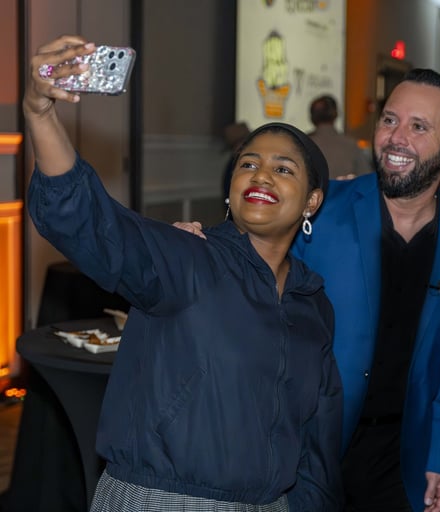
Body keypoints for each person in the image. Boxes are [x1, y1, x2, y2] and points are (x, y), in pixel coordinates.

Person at [26, 36, 342, 511]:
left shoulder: (311, 303)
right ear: (230, 188)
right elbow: (92, 224)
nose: (260, 175)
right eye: (248, 164)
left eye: (284, 169)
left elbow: (319, 435)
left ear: (312, 201)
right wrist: (41, 114)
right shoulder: (191, 259)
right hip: (163, 500)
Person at [294, 69, 440, 512]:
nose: (396, 138)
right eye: (389, 120)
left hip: (400, 457)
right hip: (307, 449)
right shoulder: (321, 208)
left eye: (419, 127)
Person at [308, 94, 373, 179]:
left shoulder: (304, 144)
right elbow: (366, 178)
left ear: (312, 118)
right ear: (335, 114)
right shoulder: (351, 145)